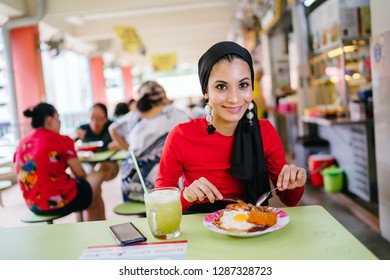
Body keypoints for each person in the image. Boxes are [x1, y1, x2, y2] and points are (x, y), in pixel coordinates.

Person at [155, 41, 307, 213]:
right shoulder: (181, 136)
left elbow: (289, 200)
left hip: (252, 228)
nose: (234, 98)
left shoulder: (265, 132)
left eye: (243, 85)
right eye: (221, 87)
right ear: (206, 92)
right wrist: (185, 196)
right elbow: (161, 205)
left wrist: (295, 182)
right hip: (201, 230)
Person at [13, 103, 118, 221]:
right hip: (59, 201)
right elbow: (80, 173)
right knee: (99, 175)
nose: (60, 122)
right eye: (58, 118)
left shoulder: (22, 143)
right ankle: (96, 232)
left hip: (33, 204)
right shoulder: (61, 139)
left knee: (93, 194)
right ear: (49, 120)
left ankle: (87, 225)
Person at [109, 80, 189, 201]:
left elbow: (112, 129)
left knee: (141, 215)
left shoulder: (134, 116)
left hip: (130, 177)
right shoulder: (172, 113)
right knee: (164, 210)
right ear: (162, 96)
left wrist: (129, 149)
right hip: (161, 177)